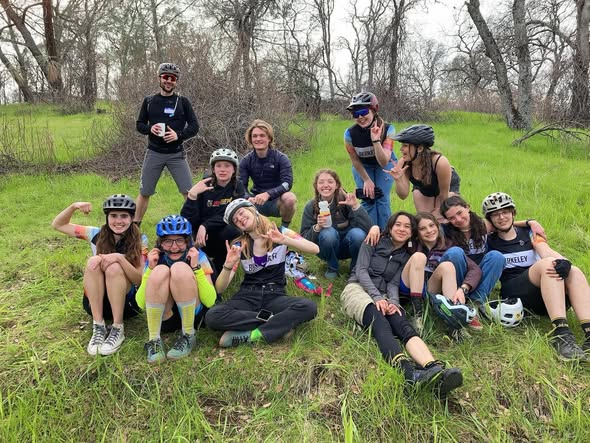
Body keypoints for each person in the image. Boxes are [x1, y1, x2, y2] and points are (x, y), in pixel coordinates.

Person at [340, 212, 463, 396]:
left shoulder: (406, 255)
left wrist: (393, 302)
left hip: (384, 294)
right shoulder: (373, 240)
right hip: (357, 288)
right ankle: (408, 373)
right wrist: (377, 298)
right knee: (379, 321)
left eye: (407, 226)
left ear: (412, 232)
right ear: (390, 227)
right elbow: (361, 271)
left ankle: (433, 369)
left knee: (401, 323)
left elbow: (393, 283)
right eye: (398, 224)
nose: (402, 229)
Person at [483, 192, 590, 362]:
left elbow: (545, 250)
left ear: (513, 212)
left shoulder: (528, 233)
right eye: (495, 214)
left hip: (545, 292)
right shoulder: (488, 240)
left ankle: (589, 332)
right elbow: (471, 228)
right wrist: (528, 221)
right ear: (489, 219)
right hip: (515, 292)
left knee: (573, 270)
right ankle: (561, 334)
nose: (501, 217)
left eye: (505, 212)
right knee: (547, 265)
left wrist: (564, 262)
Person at [205, 199, 318, 347]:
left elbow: (314, 249)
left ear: (253, 210)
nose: (240, 218)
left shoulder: (280, 232)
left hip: (275, 295)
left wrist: (285, 240)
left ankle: (253, 335)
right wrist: (227, 266)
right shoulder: (239, 245)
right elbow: (220, 289)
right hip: (248, 296)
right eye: (235, 220)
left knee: (309, 307)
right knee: (213, 316)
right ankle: (278, 324)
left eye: (241, 213)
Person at [52, 195, 146, 355]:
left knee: (114, 268)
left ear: (132, 218)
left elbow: (138, 279)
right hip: (96, 303)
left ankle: (118, 328)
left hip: (127, 305)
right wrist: (74, 206)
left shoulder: (140, 240)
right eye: (113, 215)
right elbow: (58, 225)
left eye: (124, 216)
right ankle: (98, 326)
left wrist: (119, 258)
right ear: (107, 217)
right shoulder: (95, 234)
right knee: (93, 261)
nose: (118, 221)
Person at [439, 195, 546, 314]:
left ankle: (476, 302)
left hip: (478, 274)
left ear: (467, 208)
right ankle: (455, 301)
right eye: (452, 218)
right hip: (457, 276)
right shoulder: (444, 231)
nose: (458, 219)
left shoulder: (483, 225)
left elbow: (505, 223)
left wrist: (530, 222)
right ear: (447, 220)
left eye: (460, 213)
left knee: (496, 256)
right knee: (455, 252)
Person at [135, 215, 217, 363]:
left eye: (179, 240)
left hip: (194, 316)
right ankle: (154, 340)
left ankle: (189, 335)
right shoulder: (156, 258)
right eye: (168, 241)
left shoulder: (198, 256)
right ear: (160, 243)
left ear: (187, 241)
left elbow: (210, 301)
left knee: (180, 268)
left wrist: (196, 268)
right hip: (166, 317)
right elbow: (141, 303)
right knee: (160, 271)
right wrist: (149, 270)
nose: (174, 247)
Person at [134, 63, 199, 225]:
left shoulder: (182, 102)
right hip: (154, 153)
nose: (169, 81)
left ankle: (195, 226)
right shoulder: (149, 101)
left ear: (176, 81)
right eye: (166, 77)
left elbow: (194, 126)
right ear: (159, 78)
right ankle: (134, 227)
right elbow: (139, 125)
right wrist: (150, 129)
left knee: (189, 192)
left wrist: (179, 135)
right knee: (145, 192)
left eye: (173, 78)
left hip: (176, 154)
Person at [300, 169, 379, 279]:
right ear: (316, 186)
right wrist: (317, 227)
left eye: (330, 181)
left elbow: (367, 228)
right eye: (321, 182)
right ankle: (332, 267)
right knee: (328, 233)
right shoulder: (311, 206)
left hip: (347, 246)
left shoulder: (345, 201)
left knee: (358, 234)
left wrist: (355, 206)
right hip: (324, 248)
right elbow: (303, 239)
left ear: (337, 185)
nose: (325, 185)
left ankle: (356, 268)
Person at [181, 148, 247, 273]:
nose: (222, 169)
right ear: (213, 169)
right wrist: (192, 196)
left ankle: (222, 264)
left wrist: (205, 225)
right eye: (218, 165)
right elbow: (187, 219)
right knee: (183, 232)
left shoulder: (238, 187)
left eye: (227, 166)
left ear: (234, 169)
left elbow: (232, 214)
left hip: (222, 234)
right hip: (201, 237)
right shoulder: (204, 186)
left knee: (235, 229)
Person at [414, 212, 483, 332]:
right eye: (422, 228)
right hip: (425, 291)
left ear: (437, 226)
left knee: (448, 264)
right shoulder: (412, 246)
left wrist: (463, 288)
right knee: (446, 266)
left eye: (431, 225)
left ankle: (454, 318)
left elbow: (475, 269)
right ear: (416, 232)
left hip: (448, 289)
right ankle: (455, 316)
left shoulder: (448, 245)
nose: (429, 231)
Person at [344, 92, 397, 230]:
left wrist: (376, 141)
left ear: (374, 110)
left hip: (384, 163)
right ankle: (369, 234)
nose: (360, 117)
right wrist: (367, 180)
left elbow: (384, 161)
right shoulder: (349, 134)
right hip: (362, 165)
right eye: (356, 114)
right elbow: (355, 160)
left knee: (381, 198)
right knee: (368, 198)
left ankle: (385, 234)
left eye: (363, 112)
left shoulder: (389, 130)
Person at [387, 125, 460, 220]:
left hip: (446, 190)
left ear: (420, 148)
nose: (401, 149)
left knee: (444, 218)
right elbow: (403, 195)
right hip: (424, 188)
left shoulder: (440, 162)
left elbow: (443, 196)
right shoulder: (405, 163)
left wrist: (439, 212)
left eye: (405, 145)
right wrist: (398, 179)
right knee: (425, 221)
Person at [239, 119, 297, 229]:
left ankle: (284, 229)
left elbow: (287, 183)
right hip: (256, 202)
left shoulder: (281, 158)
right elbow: (241, 185)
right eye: (255, 136)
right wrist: (247, 197)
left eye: (262, 135)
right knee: (237, 201)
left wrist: (268, 194)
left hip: (277, 201)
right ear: (250, 139)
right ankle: (252, 230)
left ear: (269, 138)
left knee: (290, 198)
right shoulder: (246, 161)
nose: (258, 139)